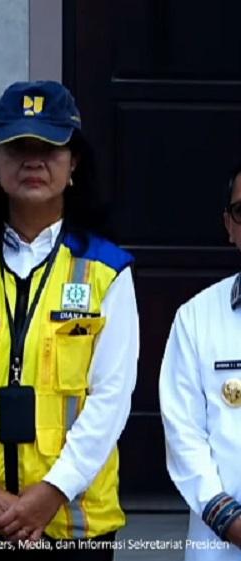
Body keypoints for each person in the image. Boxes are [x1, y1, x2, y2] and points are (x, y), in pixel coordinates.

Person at [0, 81, 139, 559]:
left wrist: (49, 495)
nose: (33, 161)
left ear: (73, 161)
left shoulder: (107, 271)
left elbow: (111, 399)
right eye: (18, 147)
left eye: (50, 147)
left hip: (74, 525)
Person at [159, 163, 241, 560]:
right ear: (230, 225)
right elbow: (183, 432)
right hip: (222, 541)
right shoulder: (196, 317)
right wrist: (228, 518)